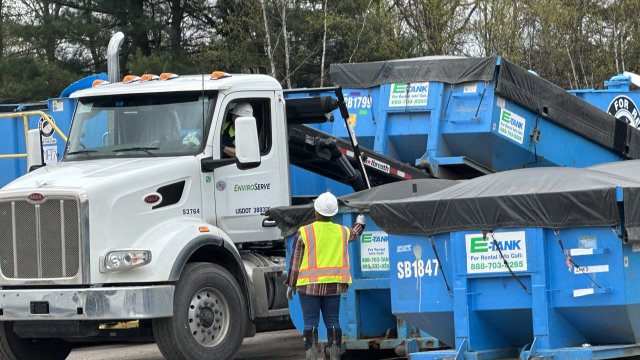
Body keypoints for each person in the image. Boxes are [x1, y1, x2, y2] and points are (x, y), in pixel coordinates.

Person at [285, 192, 365, 360]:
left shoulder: (305, 232)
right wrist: (360, 222)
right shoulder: (341, 232)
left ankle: (311, 355)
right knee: (333, 322)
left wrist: (291, 284)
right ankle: (335, 355)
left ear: (315, 211)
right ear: (334, 213)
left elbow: (295, 261)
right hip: (333, 286)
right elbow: (355, 234)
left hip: (308, 287)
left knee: (310, 323)